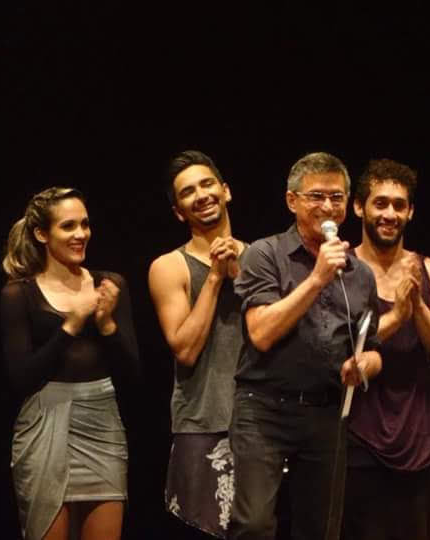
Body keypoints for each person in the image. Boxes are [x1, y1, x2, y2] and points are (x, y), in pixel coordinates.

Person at [228, 151, 382, 540]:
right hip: (264, 407)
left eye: (336, 197)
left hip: (326, 412)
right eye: (316, 196)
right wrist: (316, 278)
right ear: (292, 201)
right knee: (254, 524)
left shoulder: (360, 273)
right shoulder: (265, 253)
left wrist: (365, 364)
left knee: (322, 528)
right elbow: (260, 333)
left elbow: (374, 345)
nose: (328, 207)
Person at [1, 187, 139, 540]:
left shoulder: (110, 285)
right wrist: (71, 325)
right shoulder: (19, 294)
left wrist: (106, 324)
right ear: (41, 234)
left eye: (85, 224)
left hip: (102, 425)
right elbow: (21, 379)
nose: (81, 234)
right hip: (44, 424)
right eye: (68, 226)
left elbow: (132, 376)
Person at [342, 158, 430, 540]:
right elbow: (335, 352)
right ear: (359, 207)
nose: (390, 214)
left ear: (410, 212)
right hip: (359, 440)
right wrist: (396, 315)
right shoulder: (338, 271)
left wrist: (417, 307)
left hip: (424, 439)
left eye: (399, 205)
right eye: (380, 203)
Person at [149, 150, 246, 538]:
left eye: (207, 184)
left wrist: (240, 271)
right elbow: (185, 349)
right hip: (203, 422)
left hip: (262, 423)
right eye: (188, 192)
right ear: (179, 212)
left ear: (226, 191)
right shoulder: (168, 266)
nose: (201, 195)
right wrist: (215, 278)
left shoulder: (262, 258)